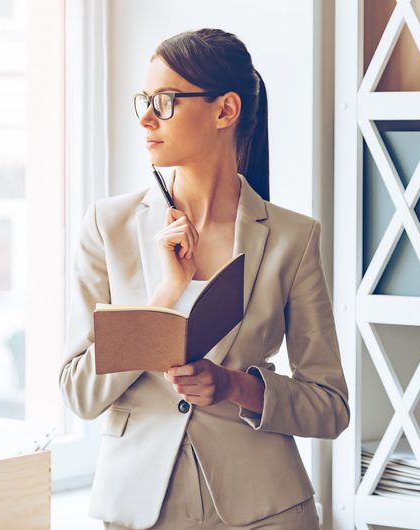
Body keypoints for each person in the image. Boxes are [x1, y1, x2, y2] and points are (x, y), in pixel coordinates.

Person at [58, 28, 350, 530]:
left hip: (268, 510)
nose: (148, 117)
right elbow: (79, 394)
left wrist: (233, 386)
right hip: (139, 509)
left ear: (225, 110)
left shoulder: (292, 237)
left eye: (166, 100)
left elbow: (329, 407)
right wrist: (165, 295)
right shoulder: (108, 226)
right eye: (144, 100)